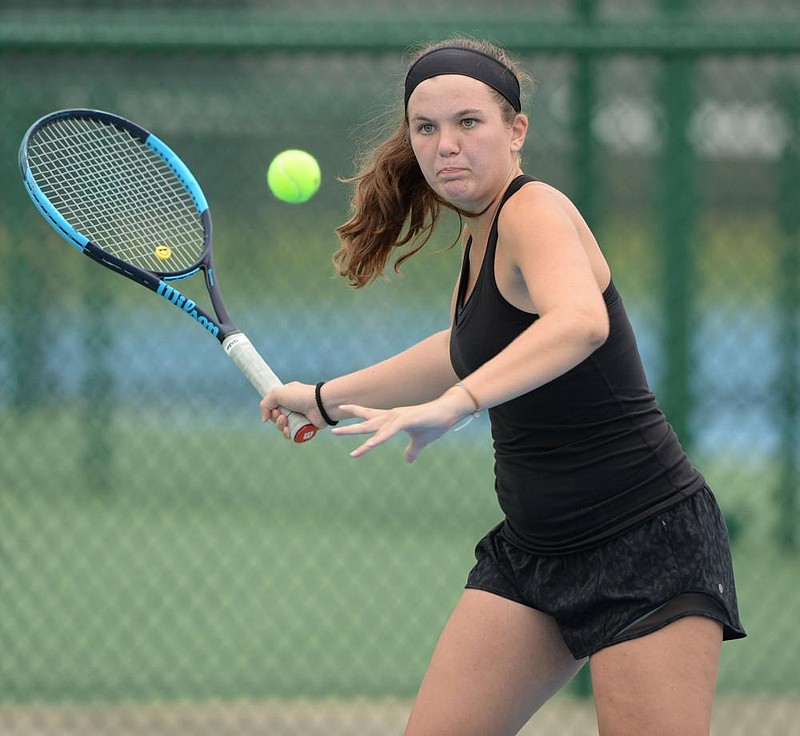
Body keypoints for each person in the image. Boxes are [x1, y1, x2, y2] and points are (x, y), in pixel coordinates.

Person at [260, 36, 745, 736]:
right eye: (425, 128)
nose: (444, 144)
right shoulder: (482, 232)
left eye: (468, 123)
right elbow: (461, 349)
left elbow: (579, 321)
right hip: (534, 552)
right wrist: (325, 396)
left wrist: (453, 408)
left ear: (516, 131)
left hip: (645, 545)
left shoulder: (533, 209)